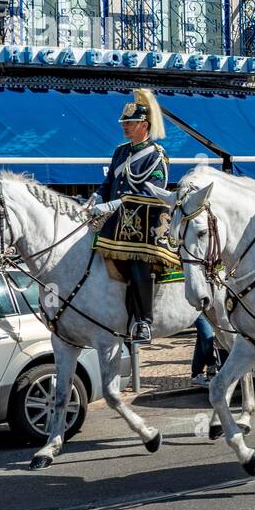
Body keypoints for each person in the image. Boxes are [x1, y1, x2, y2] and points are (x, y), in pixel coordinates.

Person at [86, 89, 174, 343]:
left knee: (138, 264)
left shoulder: (157, 156)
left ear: (143, 125)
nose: (124, 127)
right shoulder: (120, 152)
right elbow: (109, 180)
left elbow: (152, 192)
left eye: (130, 123)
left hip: (141, 226)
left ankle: (143, 321)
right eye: (124, 123)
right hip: (114, 223)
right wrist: (98, 197)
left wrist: (115, 204)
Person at [191, 314, 218, 387]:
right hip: (199, 309)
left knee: (201, 339)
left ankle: (196, 374)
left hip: (206, 309)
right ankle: (211, 371)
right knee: (207, 338)